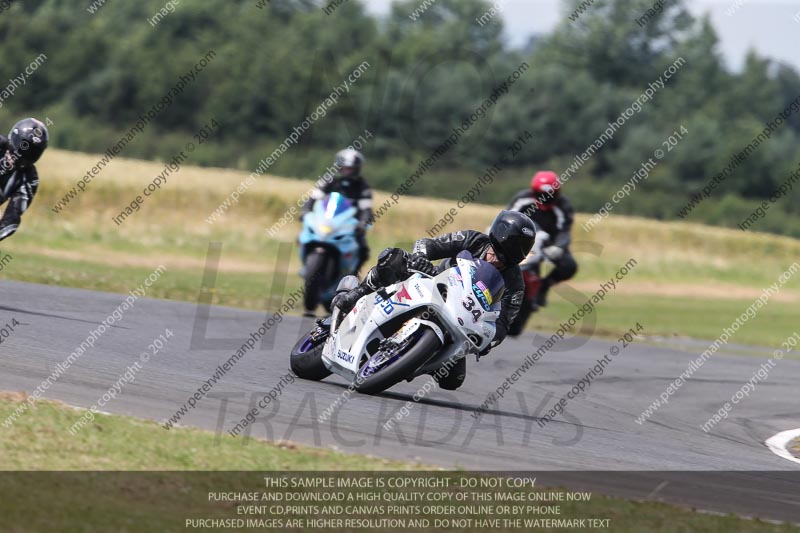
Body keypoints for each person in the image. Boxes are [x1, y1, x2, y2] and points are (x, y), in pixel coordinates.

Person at [331, 210, 535, 389]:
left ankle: (414, 359)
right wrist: (421, 257)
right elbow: (429, 244)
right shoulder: (473, 240)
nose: (496, 260)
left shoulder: (515, 284)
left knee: (453, 380)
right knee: (393, 258)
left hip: (460, 318)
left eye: (506, 259)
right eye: (496, 253)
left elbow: (503, 324)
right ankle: (358, 293)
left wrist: (488, 340)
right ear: (494, 239)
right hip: (432, 283)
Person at [506, 170, 576, 307]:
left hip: (549, 245)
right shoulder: (522, 199)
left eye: (550, 195)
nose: (545, 198)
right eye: (541, 195)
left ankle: (543, 287)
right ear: (533, 191)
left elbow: (564, 231)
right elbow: (508, 218)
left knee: (569, 266)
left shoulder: (563, 206)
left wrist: (558, 246)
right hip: (521, 241)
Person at [301, 148, 372, 273]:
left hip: (349, 223)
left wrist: (362, 223)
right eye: (345, 168)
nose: (347, 171)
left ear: (357, 169)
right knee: (305, 235)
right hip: (326, 218)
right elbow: (313, 197)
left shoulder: (362, 186)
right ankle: (306, 262)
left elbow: (366, 209)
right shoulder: (329, 180)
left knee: (363, 248)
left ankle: (353, 273)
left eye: (351, 169)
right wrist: (305, 210)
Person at [0, 118, 48, 242]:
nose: (26, 155)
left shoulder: (29, 179)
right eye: (24, 147)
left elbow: (12, 218)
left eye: (33, 152)